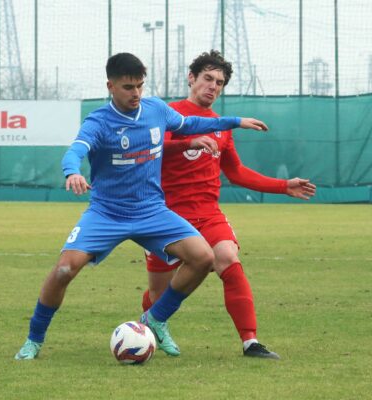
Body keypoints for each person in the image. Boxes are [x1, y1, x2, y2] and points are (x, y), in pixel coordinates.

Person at [15, 52, 270, 360]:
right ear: (110, 86)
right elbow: (75, 151)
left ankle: (155, 319)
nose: (135, 93)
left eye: (139, 86)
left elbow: (189, 123)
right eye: (127, 87)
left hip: (152, 211)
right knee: (65, 269)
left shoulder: (155, 109)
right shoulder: (98, 121)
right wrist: (72, 172)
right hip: (107, 213)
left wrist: (235, 122)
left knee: (204, 257)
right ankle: (34, 340)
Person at [140, 50, 316, 359]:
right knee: (158, 295)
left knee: (227, 258)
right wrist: (188, 142)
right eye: (207, 78)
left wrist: (282, 186)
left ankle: (250, 342)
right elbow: (151, 149)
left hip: (208, 214)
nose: (213, 86)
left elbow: (235, 171)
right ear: (191, 78)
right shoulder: (169, 114)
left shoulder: (221, 126)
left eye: (219, 82)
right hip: (166, 215)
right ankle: (147, 326)